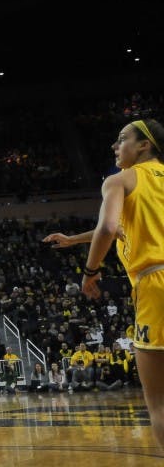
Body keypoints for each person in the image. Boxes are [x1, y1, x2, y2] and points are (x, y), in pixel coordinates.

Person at [43, 118, 164, 447]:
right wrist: (73, 239)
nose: (115, 146)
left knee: (160, 404)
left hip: (156, 285)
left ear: (144, 145)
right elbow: (119, 228)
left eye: (122, 139)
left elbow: (108, 228)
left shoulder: (120, 180)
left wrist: (90, 271)